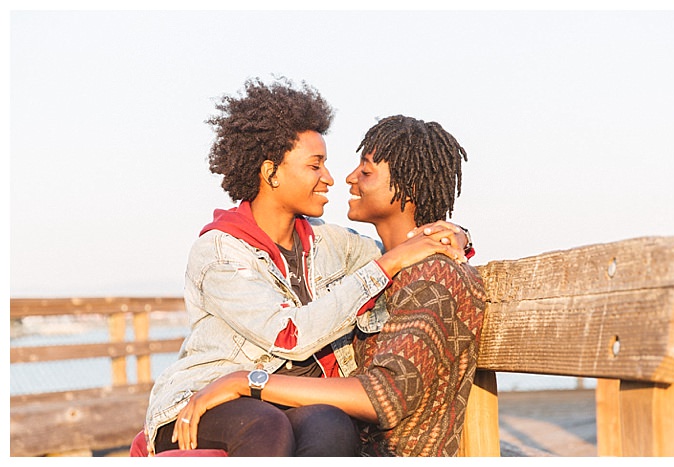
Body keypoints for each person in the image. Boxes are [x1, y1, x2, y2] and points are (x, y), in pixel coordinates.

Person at [138, 79, 472, 456]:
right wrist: (390, 261)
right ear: (271, 172)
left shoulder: (330, 242)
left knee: (330, 424)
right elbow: (289, 335)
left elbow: (402, 251)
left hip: (281, 402)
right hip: (208, 402)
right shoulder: (220, 252)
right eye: (316, 165)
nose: (330, 177)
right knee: (266, 426)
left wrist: (455, 234)